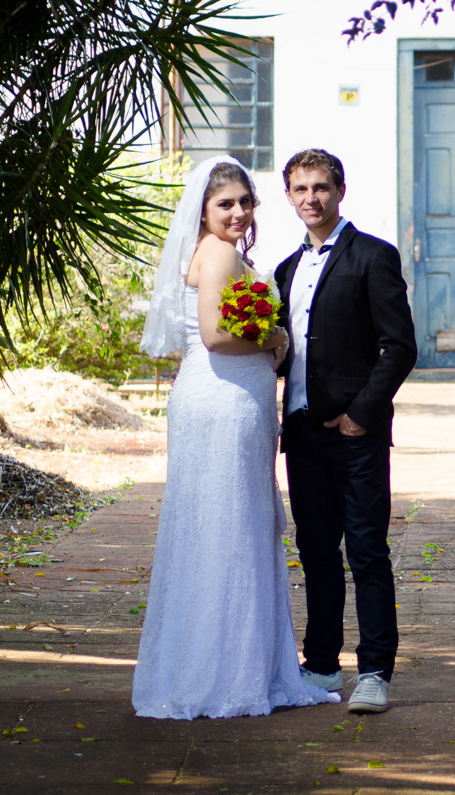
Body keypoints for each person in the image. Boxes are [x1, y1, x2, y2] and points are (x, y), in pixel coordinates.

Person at [133, 156, 340, 719]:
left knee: (223, 524)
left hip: (225, 401)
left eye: (246, 202)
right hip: (222, 401)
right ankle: (228, 674)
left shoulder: (219, 253)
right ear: (203, 209)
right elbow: (217, 336)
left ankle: (211, 664)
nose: (239, 213)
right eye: (225, 203)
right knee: (232, 525)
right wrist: (274, 337)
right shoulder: (221, 253)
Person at [275, 149, 417, 714]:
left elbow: (399, 346)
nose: (311, 198)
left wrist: (361, 413)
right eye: (300, 189)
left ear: (340, 190)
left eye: (320, 187)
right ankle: (323, 664)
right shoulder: (286, 270)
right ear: (288, 196)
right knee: (314, 552)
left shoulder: (373, 257)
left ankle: (376, 670)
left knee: (366, 551)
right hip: (303, 433)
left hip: (355, 434)